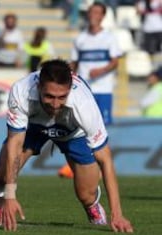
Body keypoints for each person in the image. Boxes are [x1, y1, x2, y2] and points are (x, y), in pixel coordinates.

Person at [0, 59, 134, 233]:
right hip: (34, 127)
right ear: (38, 87)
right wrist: (9, 195)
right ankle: (3, 208)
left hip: (74, 132)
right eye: (49, 96)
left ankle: (92, 206)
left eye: (62, 97)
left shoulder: (84, 105)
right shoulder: (21, 90)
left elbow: (105, 160)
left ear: (69, 89)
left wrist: (117, 214)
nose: (55, 104)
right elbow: (15, 144)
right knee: (2, 175)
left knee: (86, 194)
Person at [59, 1, 122, 179]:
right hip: (84, 91)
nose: (93, 15)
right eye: (91, 11)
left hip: (103, 89)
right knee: (79, 126)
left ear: (102, 16)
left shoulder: (109, 38)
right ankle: (78, 164)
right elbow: (74, 64)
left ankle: (101, 165)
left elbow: (115, 61)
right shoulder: (80, 38)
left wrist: (101, 71)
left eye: (97, 12)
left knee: (101, 128)